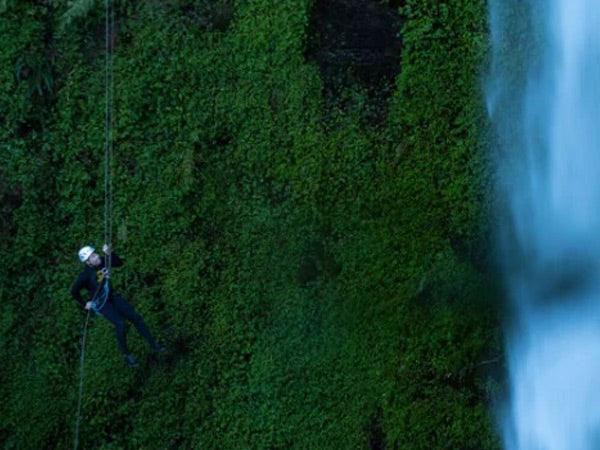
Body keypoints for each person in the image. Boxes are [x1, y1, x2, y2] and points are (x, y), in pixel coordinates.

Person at [70, 243, 165, 367]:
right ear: (88, 262)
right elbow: (74, 291)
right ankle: (127, 355)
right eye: (92, 257)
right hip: (102, 303)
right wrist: (84, 303)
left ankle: (154, 344)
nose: (96, 257)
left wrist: (110, 253)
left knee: (136, 317)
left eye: (95, 254)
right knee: (120, 323)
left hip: (112, 296)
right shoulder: (85, 276)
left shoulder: (102, 261)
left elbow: (119, 263)